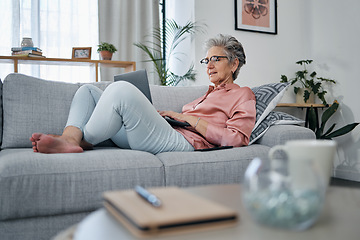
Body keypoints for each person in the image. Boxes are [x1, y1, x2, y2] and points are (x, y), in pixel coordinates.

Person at [30, 34, 256, 154]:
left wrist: (189, 118)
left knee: (120, 90)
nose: (209, 65)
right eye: (207, 60)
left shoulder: (243, 94)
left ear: (234, 64)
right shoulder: (205, 94)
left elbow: (237, 139)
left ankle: (75, 140)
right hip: (164, 131)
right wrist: (160, 116)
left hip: (184, 142)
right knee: (87, 91)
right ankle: (71, 138)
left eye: (216, 59)